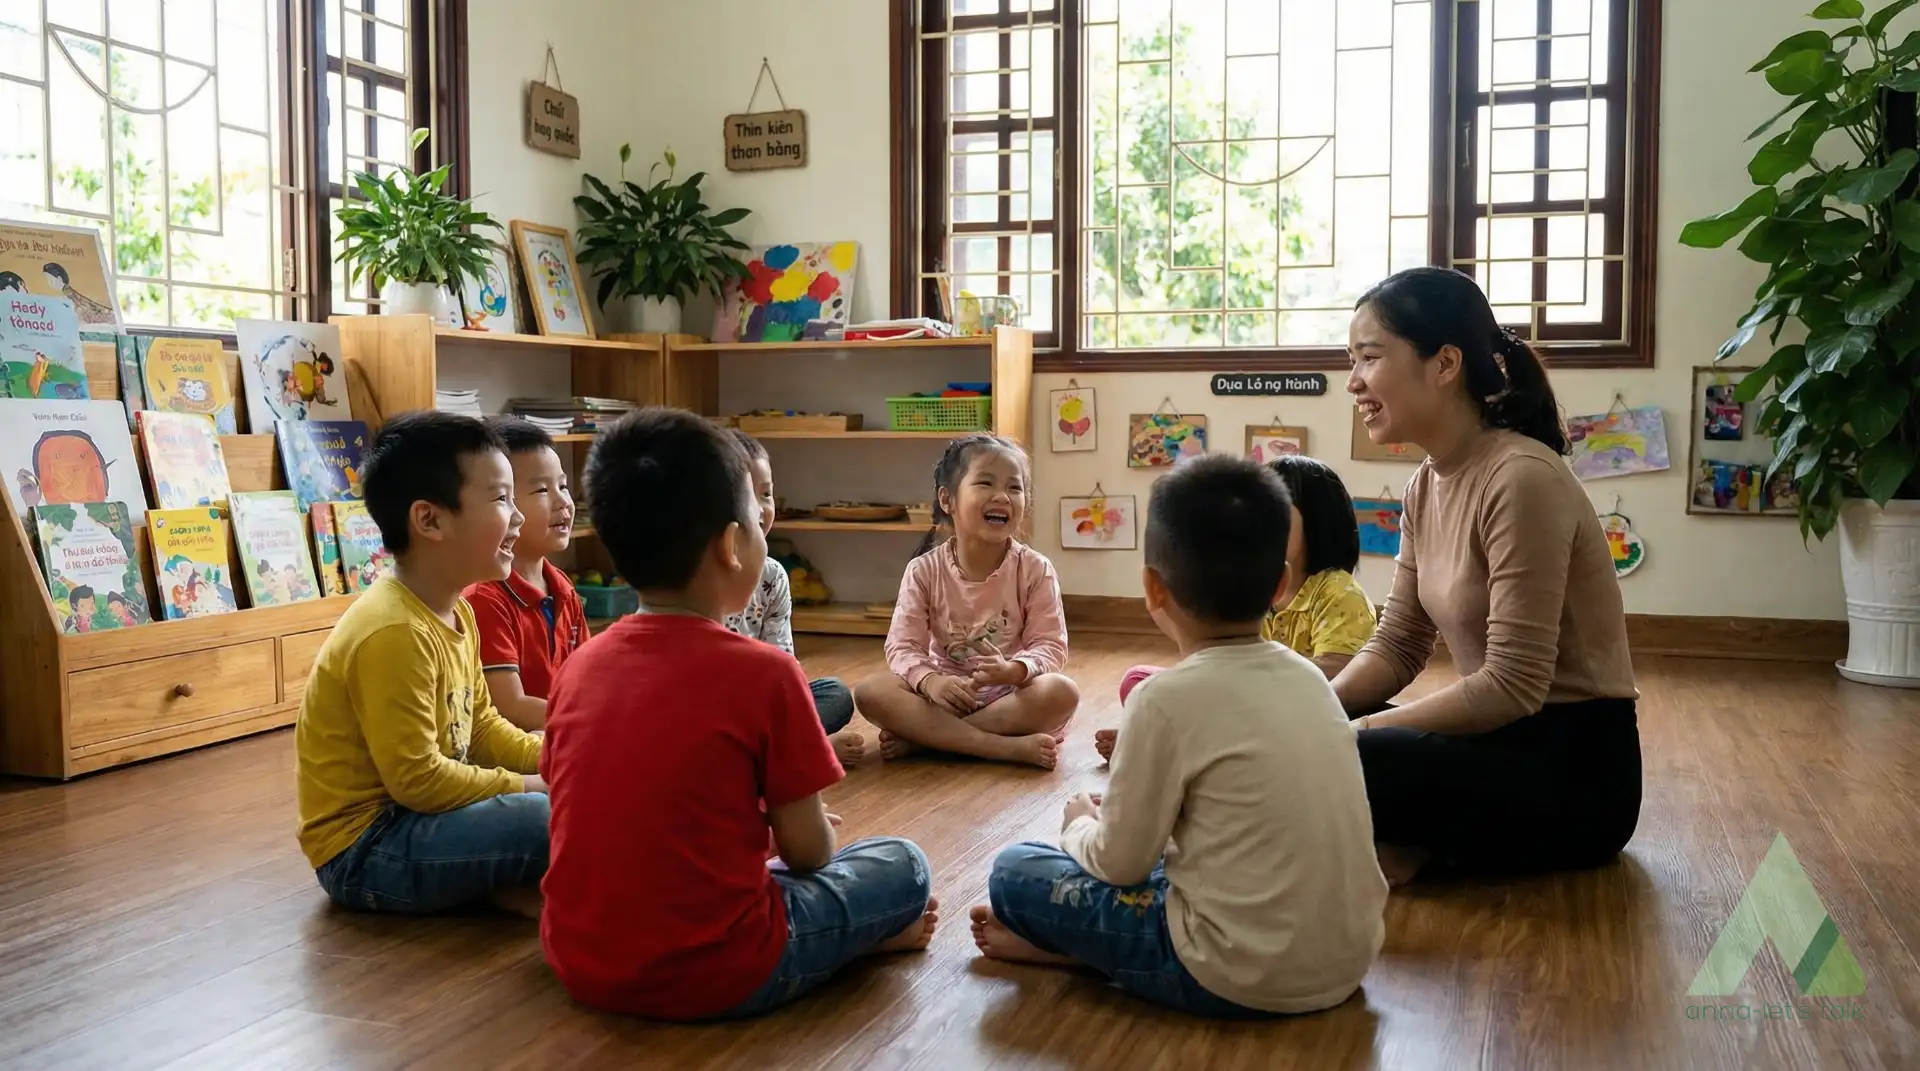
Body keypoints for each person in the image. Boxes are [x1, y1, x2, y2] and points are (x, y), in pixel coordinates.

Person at [540, 408, 936, 1021]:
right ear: (731, 545)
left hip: (581, 961)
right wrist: (783, 830)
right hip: (722, 969)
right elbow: (809, 854)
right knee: (902, 865)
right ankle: (851, 944)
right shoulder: (765, 673)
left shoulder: (580, 666)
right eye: (757, 520)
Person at [969, 456, 1386, 1017]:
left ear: (1152, 588)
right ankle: (1094, 949)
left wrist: (1078, 826)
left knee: (1015, 869)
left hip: (1227, 975)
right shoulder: (1311, 678)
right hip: (1346, 961)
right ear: (1281, 584)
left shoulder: (1162, 699)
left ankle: (1084, 953)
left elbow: (1119, 866)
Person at [1334, 266, 1641, 885]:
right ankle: (1415, 848)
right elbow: (1398, 643)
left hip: (1576, 773)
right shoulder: (1428, 481)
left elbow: (1513, 685)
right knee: (1324, 739)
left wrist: (1340, 736)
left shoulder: (1522, 478)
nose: (1353, 382)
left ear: (1444, 364)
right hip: (1494, 743)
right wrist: (1306, 712)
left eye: (1369, 357)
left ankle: (1408, 847)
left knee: (1353, 754)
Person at [294, 412, 547, 917]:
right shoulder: (394, 630)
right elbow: (419, 781)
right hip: (366, 848)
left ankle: (498, 881)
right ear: (429, 520)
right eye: (500, 499)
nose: (517, 517)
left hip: (421, 819)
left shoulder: (458, 612)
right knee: (542, 818)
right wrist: (532, 785)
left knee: (564, 798)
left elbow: (481, 731)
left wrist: (555, 759)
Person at [1099, 454, 1377, 761]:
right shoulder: (1252, 581)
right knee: (1140, 682)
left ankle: (1160, 744)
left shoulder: (1337, 591)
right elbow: (1206, 651)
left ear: (1317, 521)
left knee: (1171, 701)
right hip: (1245, 697)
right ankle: (1166, 740)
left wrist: (1239, 684)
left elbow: (1333, 679)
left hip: (1300, 711)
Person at [852, 434, 1078, 770]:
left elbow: (1050, 645)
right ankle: (1000, 747)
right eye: (986, 483)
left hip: (1007, 697)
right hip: (943, 696)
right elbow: (903, 647)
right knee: (870, 692)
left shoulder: (1034, 569)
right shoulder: (923, 570)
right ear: (948, 500)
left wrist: (1014, 670)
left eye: (1015, 488)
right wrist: (932, 682)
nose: (1002, 496)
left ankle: (930, 740)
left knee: (1061, 691)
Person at [722, 430, 865, 766]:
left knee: (835, 694)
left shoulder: (772, 575)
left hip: (763, 708)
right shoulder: (697, 575)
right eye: (746, 495)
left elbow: (783, 666)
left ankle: (779, 753)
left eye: (767, 494)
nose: (759, 509)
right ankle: (808, 752)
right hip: (710, 711)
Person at [465, 416, 587, 731]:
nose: (564, 501)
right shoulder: (484, 597)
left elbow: (588, 677)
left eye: (563, 484)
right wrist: (588, 722)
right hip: (517, 753)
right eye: (542, 490)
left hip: (563, 733)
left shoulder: (563, 588)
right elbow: (509, 707)